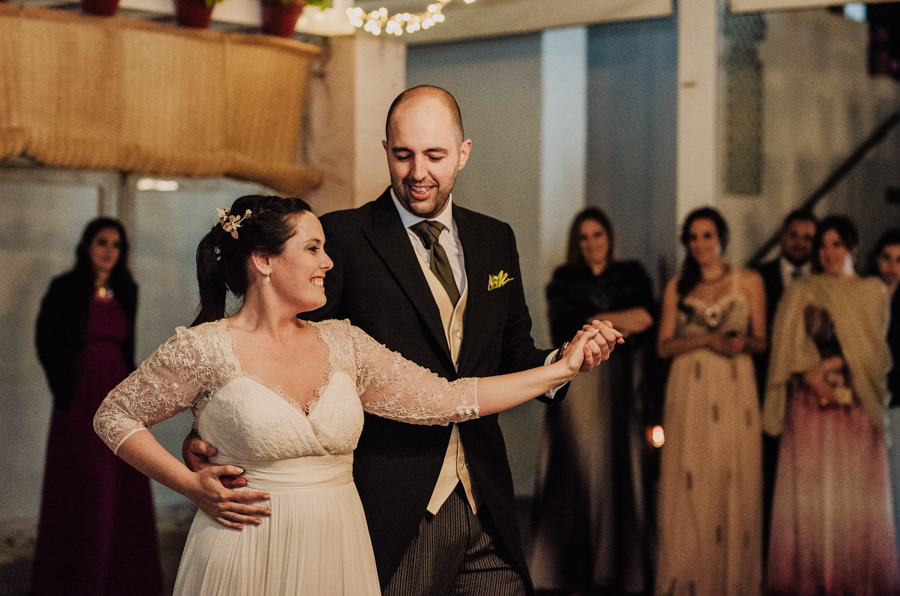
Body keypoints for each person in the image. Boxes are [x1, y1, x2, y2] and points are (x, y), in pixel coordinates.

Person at [184, 85, 621, 596]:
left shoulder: (495, 239)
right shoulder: (342, 238)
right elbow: (283, 341)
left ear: (463, 153)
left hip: (488, 502)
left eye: (435, 156)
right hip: (390, 504)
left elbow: (514, 353)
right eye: (403, 155)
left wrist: (561, 360)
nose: (418, 172)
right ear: (386, 150)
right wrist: (218, 428)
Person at [93, 194, 614, 596]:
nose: (328, 263)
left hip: (338, 549)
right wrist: (190, 485)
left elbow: (452, 399)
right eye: (313, 249)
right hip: (243, 549)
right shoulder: (205, 348)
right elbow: (115, 415)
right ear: (265, 261)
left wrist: (561, 368)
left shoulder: (344, 342)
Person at [762, 216, 899, 595]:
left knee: (853, 499)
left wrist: (834, 364)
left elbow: (874, 352)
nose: (829, 253)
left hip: (855, 404)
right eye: (823, 246)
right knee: (811, 498)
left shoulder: (873, 291)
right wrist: (810, 375)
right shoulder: (801, 290)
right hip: (809, 403)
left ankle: (855, 584)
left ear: (853, 248)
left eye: (837, 244)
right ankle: (811, 583)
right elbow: (786, 346)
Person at [33, 218, 162, 596]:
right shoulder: (64, 289)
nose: (109, 251)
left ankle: (123, 578)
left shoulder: (127, 289)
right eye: (102, 242)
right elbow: (46, 341)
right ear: (87, 245)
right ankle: (76, 577)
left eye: (116, 244)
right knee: (82, 480)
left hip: (117, 393)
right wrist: (65, 385)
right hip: (78, 397)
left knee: (121, 476)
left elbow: (127, 346)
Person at [530, 207, 655, 595]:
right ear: (575, 244)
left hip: (624, 383)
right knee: (579, 467)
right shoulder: (564, 280)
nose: (591, 244)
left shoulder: (631, 273)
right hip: (582, 383)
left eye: (597, 235)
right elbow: (567, 332)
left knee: (623, 468)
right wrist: (619, 323)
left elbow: (648, 317)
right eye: (583, 237)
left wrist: (600, 316)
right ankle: (572, 567)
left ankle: (617, 567)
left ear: (609, 237)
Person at [655, 207, 766, 596]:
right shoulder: (677, 286)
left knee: (732, 473)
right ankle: (687, 577)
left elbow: (761, 340)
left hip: (736, 388)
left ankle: (732, 580)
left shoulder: (749, 280)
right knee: (690, 475)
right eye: (693, 237)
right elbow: (664, 346)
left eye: (707, 235)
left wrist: (739, 342)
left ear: (721, 238)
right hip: (690, 390)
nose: (700, 244)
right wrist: (706, 340)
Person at [751, 208, 817, 563]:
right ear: (781, 237)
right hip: (765, 390)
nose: (800, 244)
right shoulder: (757, 277)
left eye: (808, 238)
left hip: (811, 395)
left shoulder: (824, 280)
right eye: (794, 236)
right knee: (768, 478)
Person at [873, 228, 900, 562]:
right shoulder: (866, 296)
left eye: (899, 260)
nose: (893, 266)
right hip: (870, 400)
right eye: (887, 258)